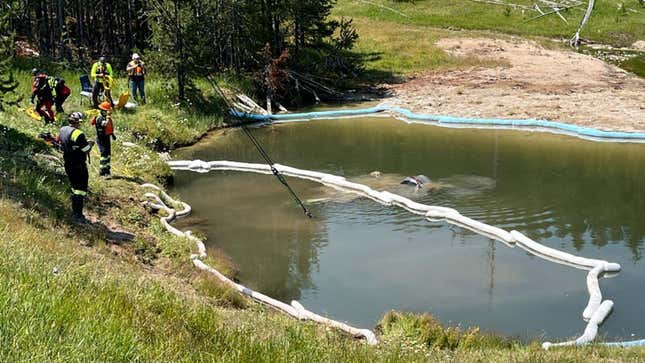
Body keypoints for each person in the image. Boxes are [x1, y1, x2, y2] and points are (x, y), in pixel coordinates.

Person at [57, 112, 94, 224]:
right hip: (78, 165)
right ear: (78, 122)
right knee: (80, 190)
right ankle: (77, 215)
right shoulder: (78, 133)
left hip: (68, 163)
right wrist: (90, 144)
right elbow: (86, 149)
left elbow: (61, 142)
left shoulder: (63, 129)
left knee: (74, 187)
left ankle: (74, 210)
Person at [91, 101, 116, 177]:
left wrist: (112, 135)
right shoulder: (99, 118)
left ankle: (107, 170)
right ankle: (102, 170)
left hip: (106, 137)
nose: (107, 112)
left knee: (108, 154)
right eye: (106, 111)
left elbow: (108, 128)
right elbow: (104, 124)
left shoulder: (105, 117)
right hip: (101, 138)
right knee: (104, 153)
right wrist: (108, 118)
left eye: (107, 111)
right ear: (102, 110)